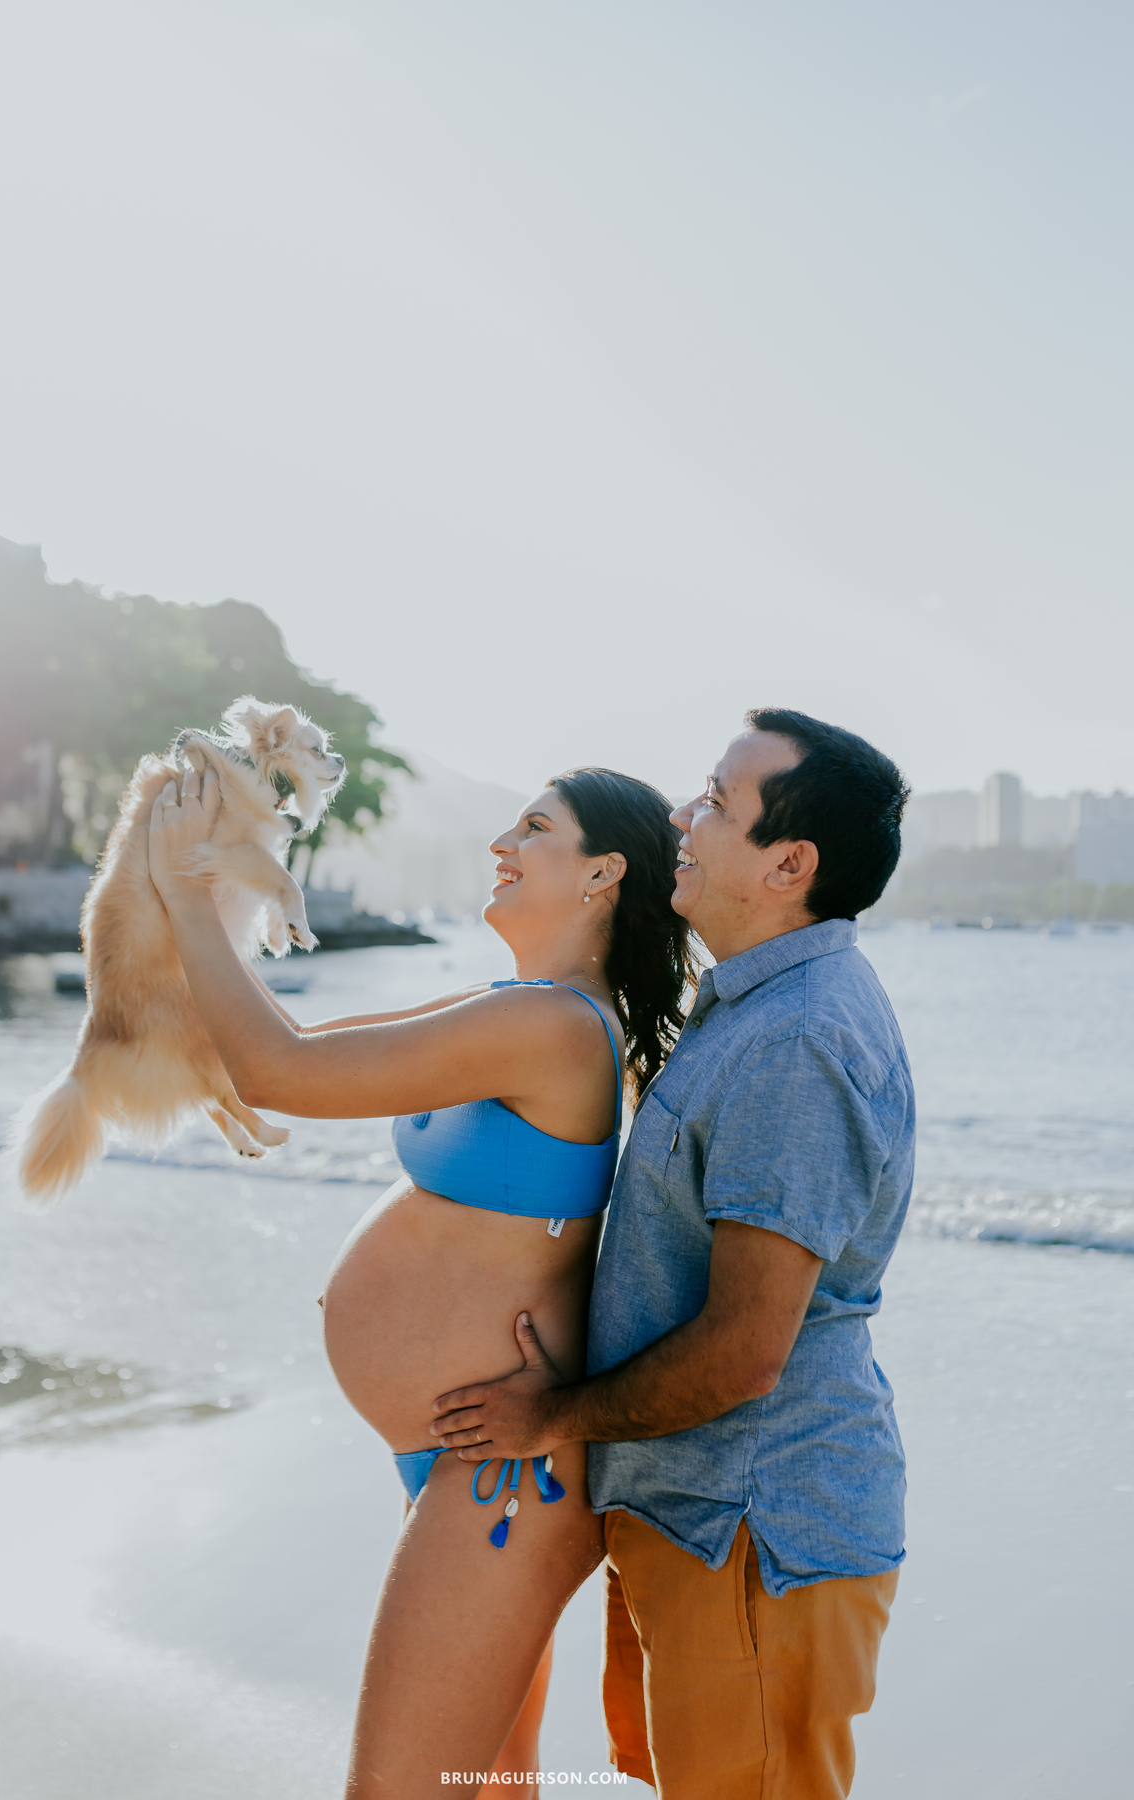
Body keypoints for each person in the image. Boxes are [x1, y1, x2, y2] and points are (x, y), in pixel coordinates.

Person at [146, 760, 694, 1795]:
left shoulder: (554, 1028)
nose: (501, 844)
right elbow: (290, 1049)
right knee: (488, 1784)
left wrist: (184, 892)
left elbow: (281, 1069)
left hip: (498, 1474)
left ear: (602, 873)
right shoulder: (517, 1007)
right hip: (469, 1453)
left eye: (534, 827)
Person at [431, 709, 915, 1800]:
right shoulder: (749, 1006)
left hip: (757, 1532)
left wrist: (548, 1417)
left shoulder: (798, 1040)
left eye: (714, 803)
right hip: (686, 1516)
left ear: (789, 863)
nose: (679, 819)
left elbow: (745, 1350)